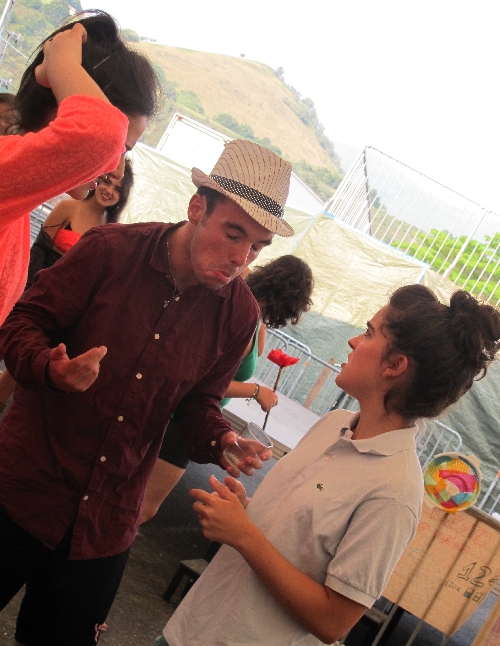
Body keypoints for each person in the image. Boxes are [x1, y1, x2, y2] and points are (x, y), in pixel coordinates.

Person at [0, 139, 294, 646]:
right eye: (233, 234)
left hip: (106, 521)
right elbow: (23, 322)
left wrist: (222, 440)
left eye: (257, 247)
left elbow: (198, 403)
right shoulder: (110, 251)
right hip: (23, 486)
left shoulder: (239, 314)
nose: (241, 258)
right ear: (197, 207)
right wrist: (51, 368)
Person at [158, 284, 500, 646]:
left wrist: (244, 535)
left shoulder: (394, 491)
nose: (353, 341)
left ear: (395, 366)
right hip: (192, 628)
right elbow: (296, 542)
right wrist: (245, 513)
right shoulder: (334, 423)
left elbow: (333, 620)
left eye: (368, 333)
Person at [0, 10, 161, 324]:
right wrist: (61, 62)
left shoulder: (18, 196)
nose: (116, 168)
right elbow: (100, 132)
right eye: (119, 148)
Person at [141, 255, 314, 523]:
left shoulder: (251, 316)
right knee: (146, 505)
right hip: (184, 418)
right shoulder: (243, 320)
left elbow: (256, 344)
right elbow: (202, 383)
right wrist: (256, 391)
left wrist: (262, 320)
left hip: (186, 415)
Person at [0, 161, 135, 413]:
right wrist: (25, 292)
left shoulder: (110, 230)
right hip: (32, 291)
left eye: (118, 189)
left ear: (123, 197)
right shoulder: (68, 206)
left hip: (63, 308)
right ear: (98, 180)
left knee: (19, 368)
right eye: (107, 182)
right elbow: (38, 249)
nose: (109, 190)